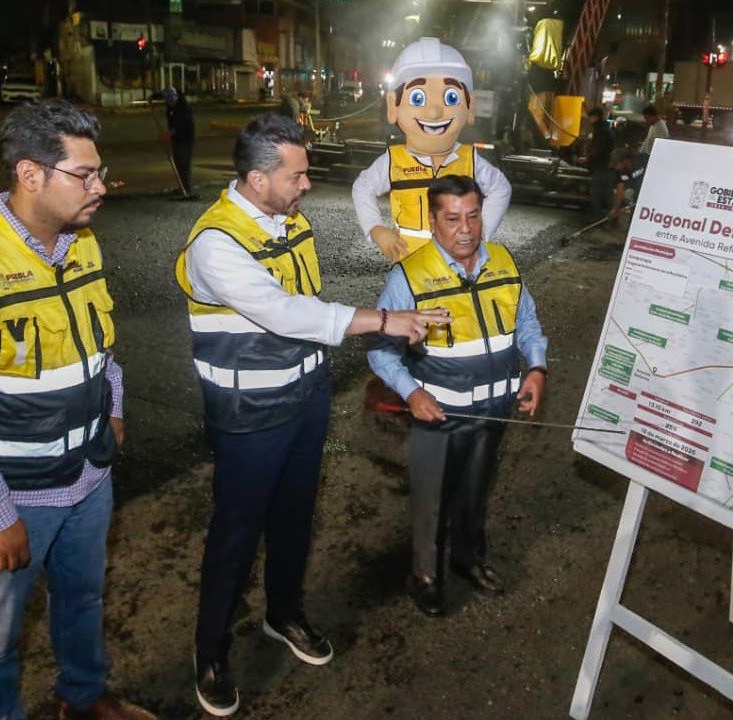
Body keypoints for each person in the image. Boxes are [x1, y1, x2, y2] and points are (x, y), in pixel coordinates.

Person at [175, 113, 452, 717]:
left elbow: (308, 298)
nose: (306, 186)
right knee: (236, 532)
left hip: (306, 398)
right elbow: (285, 312)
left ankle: (282, 613)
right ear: (256, 177)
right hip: (249, 412)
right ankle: (211, 651)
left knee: (296, 516)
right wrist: (383, 321)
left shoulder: (285, 218)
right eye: (297, 176)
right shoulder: (215, 244)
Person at [0, 100, 155, 720]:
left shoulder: (83, 245)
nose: (100, 187)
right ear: (29, 174)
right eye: (84, 175)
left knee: (83, 599)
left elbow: (101, 347)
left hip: (89, 477)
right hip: (13, 496)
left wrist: (113, 408)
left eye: (100, 173)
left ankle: (84, 698)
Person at [367, 175, 548, 617]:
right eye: (452, 219)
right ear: (434, 223)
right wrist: (411, 393)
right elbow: (379, 349)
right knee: (432, 499)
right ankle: (425, 575)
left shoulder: (504, 262)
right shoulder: (408, 276)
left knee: (475, 491)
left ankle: (468, 559)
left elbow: (527, 324)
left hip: (495, 411)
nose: (465, 229)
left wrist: (537, 368)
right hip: (439, 416)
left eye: (473, 216)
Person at [352, 37, 512, 262]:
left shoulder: (470, 160)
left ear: (470, 107)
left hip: (457, 261)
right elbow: (362, 188)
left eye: (451, 97)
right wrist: (376, 230)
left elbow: (500, 188)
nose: (435, 113)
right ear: (393, 107)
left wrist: (481, 234)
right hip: (410, 262)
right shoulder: (393, 160)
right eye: (418, 98)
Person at [579, 106, 617, 212]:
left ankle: (598, 217)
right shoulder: (604, 128)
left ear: (595, 117)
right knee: (605, 192)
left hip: (601, 166)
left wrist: (587, 158)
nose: (590, 120)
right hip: (606, 166)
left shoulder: (600, 130)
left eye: (591, 118)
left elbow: (598, 148)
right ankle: (606, 217)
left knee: (597, 193)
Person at [163, 87, 195, 197]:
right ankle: (181, 186)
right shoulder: (171, 107)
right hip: (177, 140)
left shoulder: (183, 108)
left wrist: (169, 133)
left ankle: (185, 188)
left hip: (185, 139)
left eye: (171, 101)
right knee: (178, 163)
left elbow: (182, 125)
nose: (170, 103)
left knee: (183, 164)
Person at [607, 148, 646, 221]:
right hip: (636, 199)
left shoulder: (643, 160)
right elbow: (620, 190)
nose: (616, 167)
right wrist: (615, 209)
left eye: (617, 164)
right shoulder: (619, 173)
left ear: (625, 160)